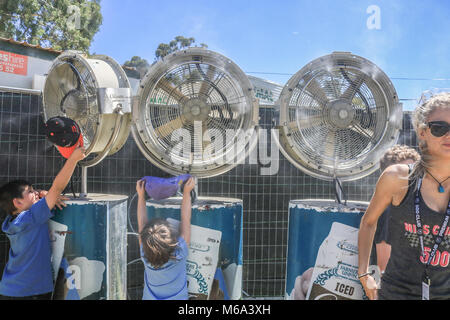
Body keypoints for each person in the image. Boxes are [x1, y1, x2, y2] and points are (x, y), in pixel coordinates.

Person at [358, 92, 450, 300]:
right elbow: (369, 222)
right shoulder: (398, 177)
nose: (448, 135)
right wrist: (363, 273)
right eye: (439, 128)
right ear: (422, 132)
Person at [0, 147, 86, 300]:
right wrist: (73, 159)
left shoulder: (12, 222)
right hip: (31, 291)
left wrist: (41, 193)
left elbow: (42, 195)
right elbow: (57, 187)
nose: (35, 193)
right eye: (30, 192)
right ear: (18, 202)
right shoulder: (32, 217)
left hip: (10, 289)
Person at [136, 176, 195, 300]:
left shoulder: (146, 256)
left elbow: (141, 223)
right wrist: (187, 192)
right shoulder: (179, 253)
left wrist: (141, 196)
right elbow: (186, 219)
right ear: (171, 240)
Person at [371, 145, 420, 273]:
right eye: (406, 173)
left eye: (415, 171)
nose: (413, 178)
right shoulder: (389, 211)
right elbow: (384, 267)